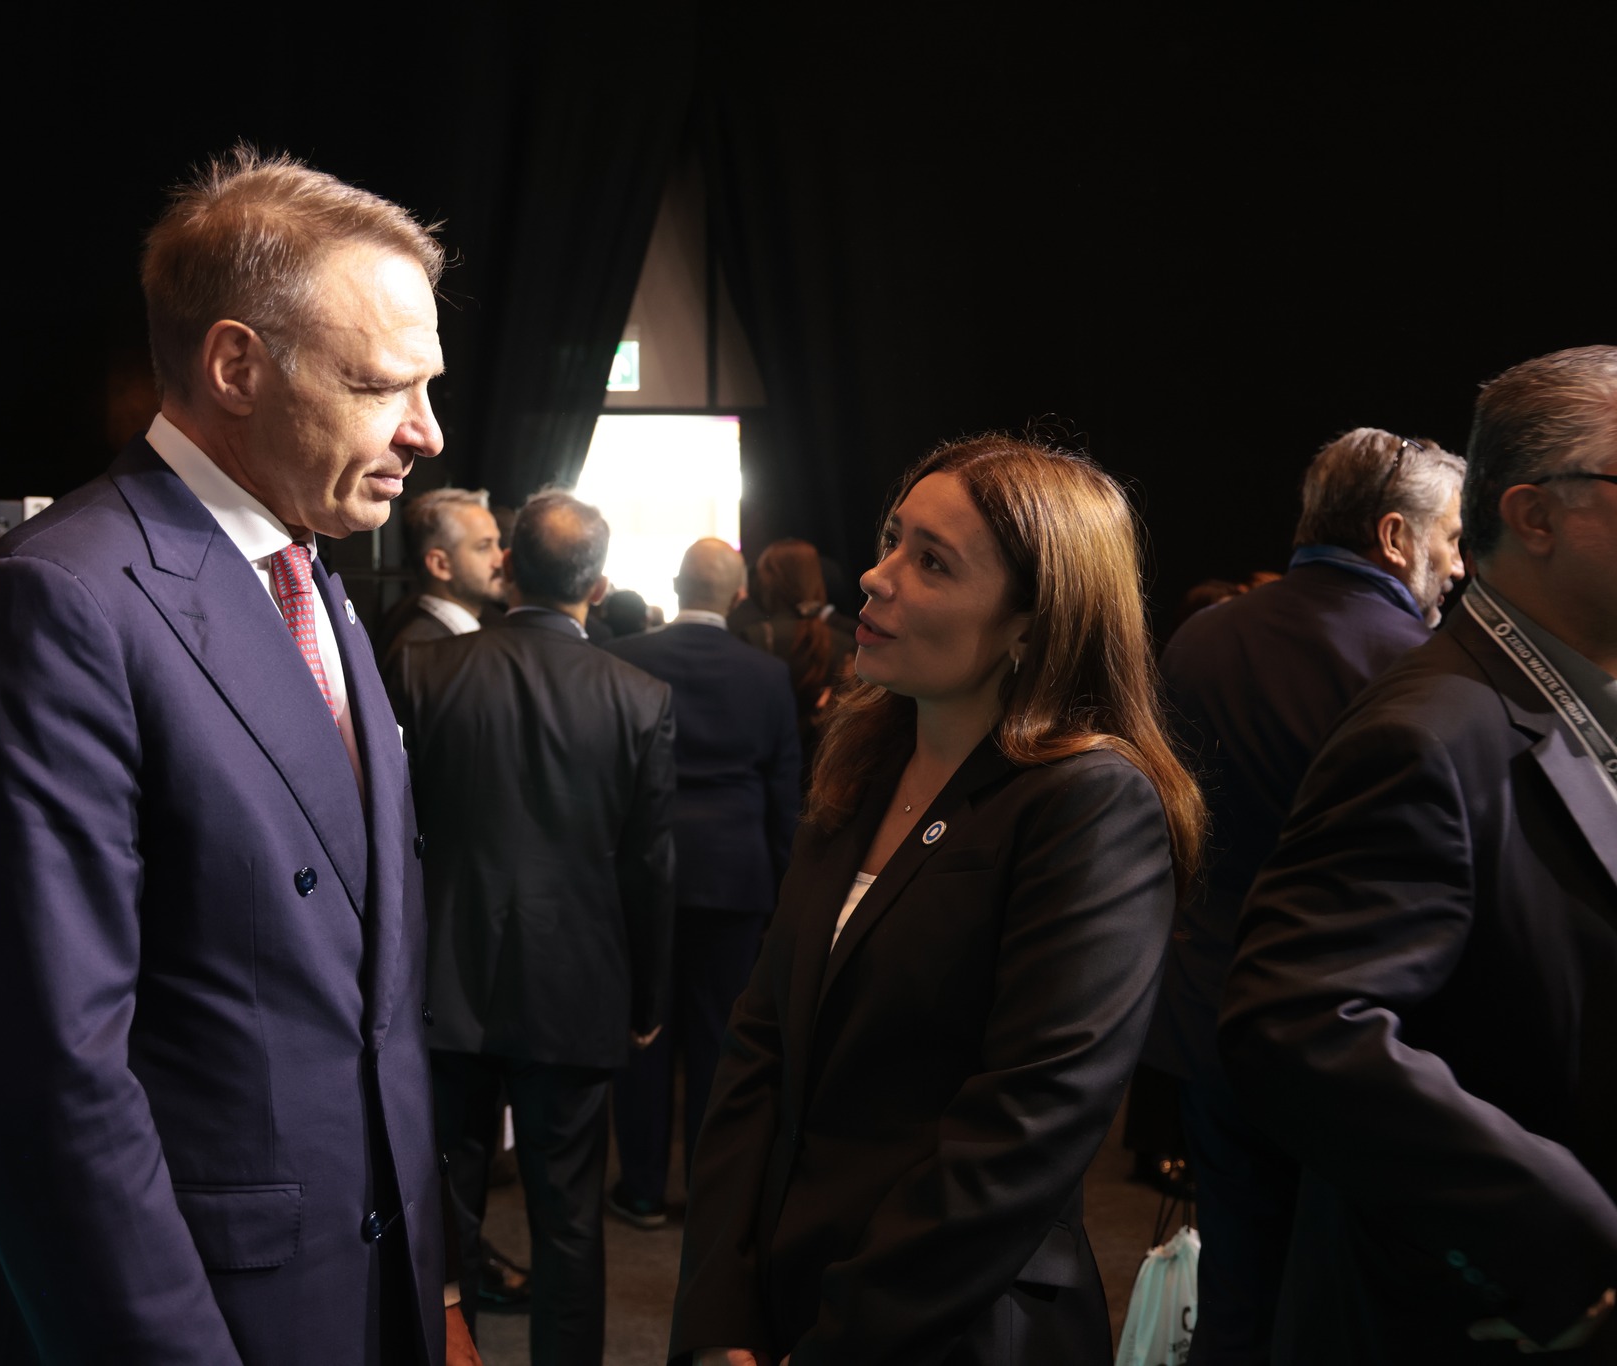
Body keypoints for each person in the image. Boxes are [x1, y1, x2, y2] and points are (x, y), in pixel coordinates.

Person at [0, 149, 476, 1366]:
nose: (426, 432)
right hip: (198, 1317)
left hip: (354, 1287)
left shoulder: (312, 578)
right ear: (235, 366)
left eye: (426, 385)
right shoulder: (54, 607)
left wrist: (426, 1288)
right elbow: (54, 1085)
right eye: (382, 385)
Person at [671, 435, 1204, 1365]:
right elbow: (759, 1045)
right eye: (892, 540)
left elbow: (1025, 1127)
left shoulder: (1088, 802)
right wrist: (719, 1317)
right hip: (777, 1303)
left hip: (949, 1326)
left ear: (1033, 623)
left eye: (932, 563)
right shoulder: (862, 765)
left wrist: (836, 1346)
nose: (876, 577)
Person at [1221, 347, 1617, 1363]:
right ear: (1534, 516)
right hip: (1490, 1319)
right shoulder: (1423, 730)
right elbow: (1298, 1026)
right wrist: (1572, 1242)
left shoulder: (1565, 695)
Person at [1145, 428, 1465, 1365]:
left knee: (1237, 1297)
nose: (1458, 565)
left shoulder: (1199, 640)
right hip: (1360, 1049)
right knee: (1344, 1316)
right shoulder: (1424, 670)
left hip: (1210, 1025)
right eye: (1451, 537)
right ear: (1396, 536)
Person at [392, 490, 677, 1366]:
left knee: (445, 1220)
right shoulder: (639, 696)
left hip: (446, 981)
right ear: (598, 586)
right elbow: (650, 867)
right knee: (570, 1225)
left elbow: (389, 840)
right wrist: (647, 999)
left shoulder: (425, 673)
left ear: (510, 566)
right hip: (576, 989)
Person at [603, 539, 802, 1228]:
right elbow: (784, 793)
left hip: (642, 875)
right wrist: (783, 887)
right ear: (738, 596)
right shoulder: (767, 675)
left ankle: (641, 1189)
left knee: (644, 1033)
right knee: (720, 1037)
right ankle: (709, 1191)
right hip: (735, 876)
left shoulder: (625, 657)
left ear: (675, 583)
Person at [738, 538, 855, 779]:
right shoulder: (849, 642)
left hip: (765, 777)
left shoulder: (753, 639)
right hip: (826, 776)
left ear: (769, 581)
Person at [377, 486, 506, 669]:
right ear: (440, 565)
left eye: (497, 544)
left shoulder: (436, 640)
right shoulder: (425, 656)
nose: (500, 560)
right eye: (484, 547)